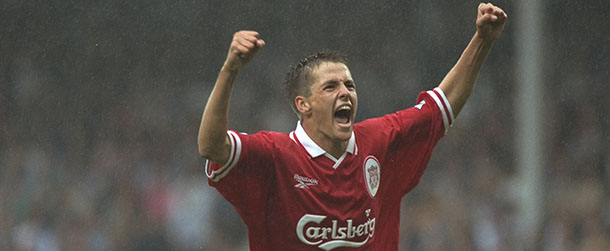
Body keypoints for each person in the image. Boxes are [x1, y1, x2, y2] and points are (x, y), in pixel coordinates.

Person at [198, 3, 507, 250]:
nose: (345, 92)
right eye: (330, 87)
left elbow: (442, 105)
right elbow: (211, 147)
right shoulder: (274, 156)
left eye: (349, 85)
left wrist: (483, 41)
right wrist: (230, 69)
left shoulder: (380, 139)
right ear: (302, 104)